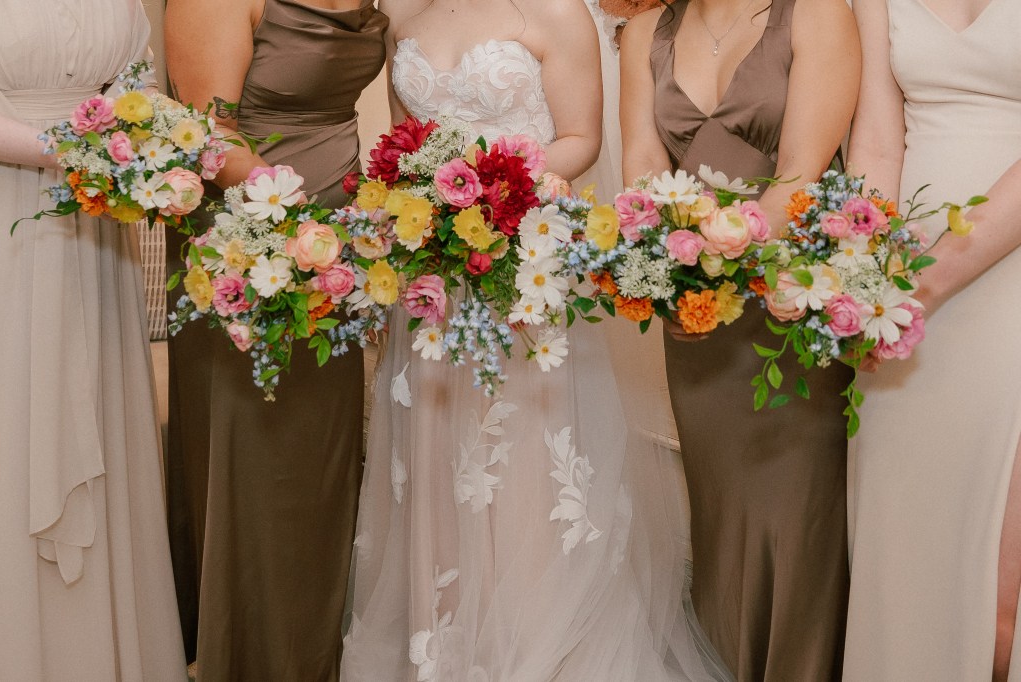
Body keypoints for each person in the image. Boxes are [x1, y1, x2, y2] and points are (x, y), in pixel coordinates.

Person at [341, 0, 732, 679]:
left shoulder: (556, 11)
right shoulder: (400, 9)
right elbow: (405, 141)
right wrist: (421, 203)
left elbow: (582, 138)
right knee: (436, 451)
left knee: (520, 452)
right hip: (434, 272)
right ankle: (448, 643)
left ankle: (529, 645)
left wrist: (489, 190)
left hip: (525, 263)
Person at [620, 0, 860, 679]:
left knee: (797, 515)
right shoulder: (644, 32)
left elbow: (800, 176)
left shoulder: (815, 14)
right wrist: (667, 275)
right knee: (720, 515)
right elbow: (642, 171)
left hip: (786, 307)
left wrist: (714, 260)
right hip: (694, 319)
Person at [162, 0, 387, 678]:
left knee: (320, 460)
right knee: (256, 459)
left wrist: (353, 227)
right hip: (243, 249)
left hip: (335, 256)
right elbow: (208, 133)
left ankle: (313, 650)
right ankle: (249, 655)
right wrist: (298, 218)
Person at [0, 1, 187, 679]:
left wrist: (146, 137)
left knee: (99, 412)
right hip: (10, 211)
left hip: (97, 221)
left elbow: (138, 83)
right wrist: (77, 151)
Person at [844, 0, 1021, 679]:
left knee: (999, 602)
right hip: (902, 294)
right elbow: (877, 142)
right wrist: (860, 281)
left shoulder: (926, 286)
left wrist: (926, 284)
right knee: (905, 554)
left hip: (990, 284)